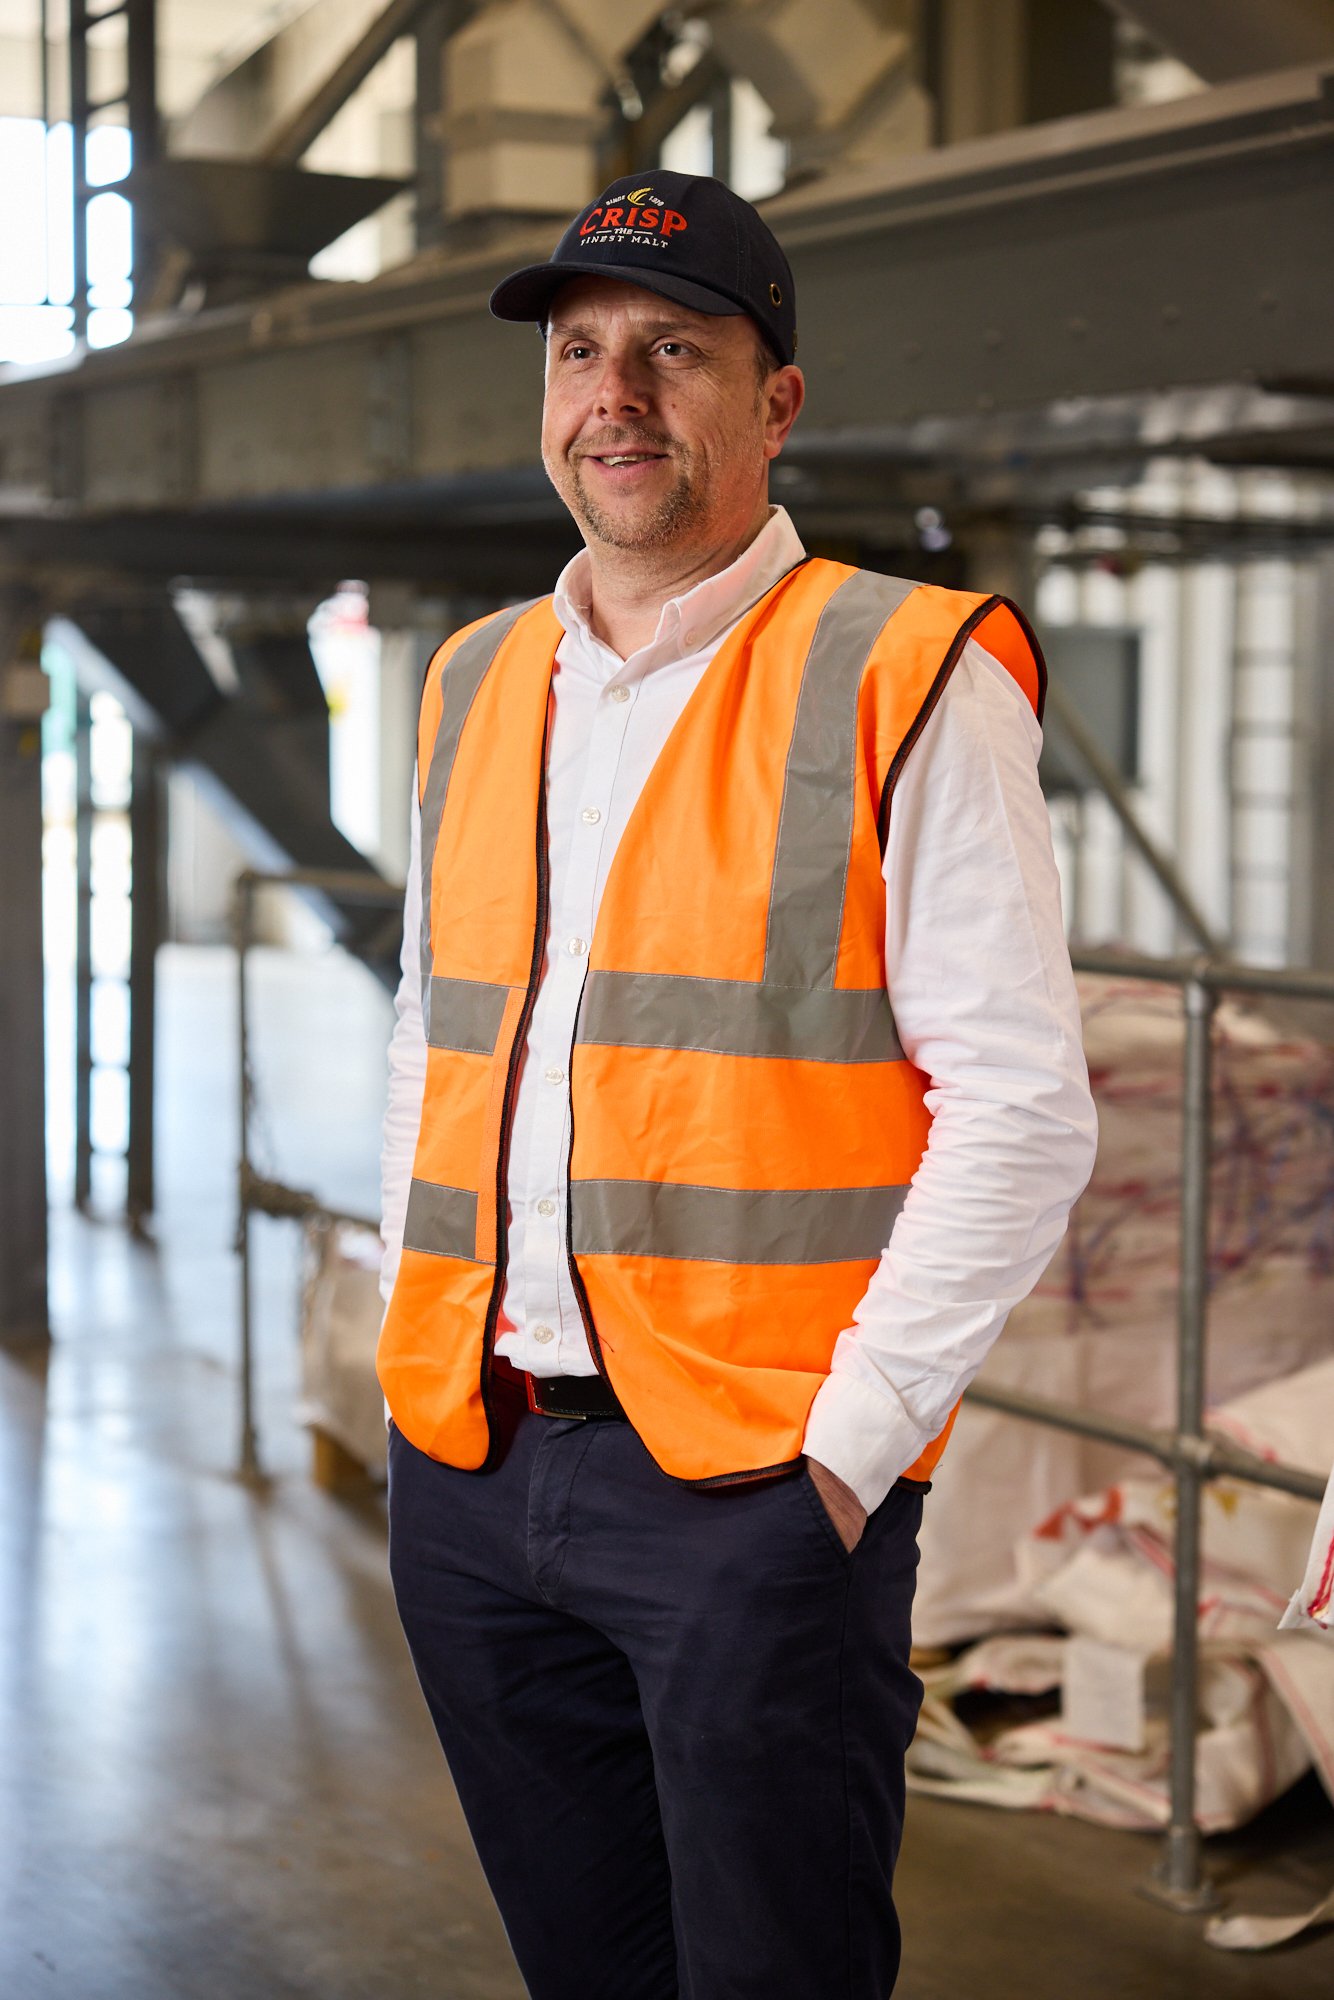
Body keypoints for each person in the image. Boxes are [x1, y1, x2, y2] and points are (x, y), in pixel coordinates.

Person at [378, 169, 1096, 2000]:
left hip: (751, 1497)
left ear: (774, 402)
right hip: (475, 1464)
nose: (613, 396)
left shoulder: (905, 671)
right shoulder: (476, 677)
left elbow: (1019, 1107)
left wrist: (842, 1466)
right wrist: (414, 1341)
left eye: (671, 352)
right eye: (578, 353)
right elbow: (432, 1041)